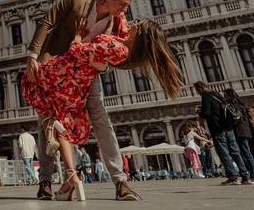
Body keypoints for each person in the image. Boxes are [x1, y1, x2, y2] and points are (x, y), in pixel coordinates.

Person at [23, 16, 182, 202]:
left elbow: (82, 51)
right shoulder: (122, 37)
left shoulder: (120, 40)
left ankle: (62, 178)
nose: (131, 21)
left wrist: (78, 38)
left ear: (139, 34)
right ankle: (68, 179)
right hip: (77, 82)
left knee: (53, 119)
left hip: (66, 76)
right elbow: (105, 45)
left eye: (136, 24)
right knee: (68, 124)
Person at [24, 0, 143, 201]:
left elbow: (117, 52)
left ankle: (120, 182)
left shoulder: (118, 21)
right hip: (56, 68)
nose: (124, 10)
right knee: (48, 122)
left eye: (127, 6)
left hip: (87, 74)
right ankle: (45, 182)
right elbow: (47, 21)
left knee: (101, 121)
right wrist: (32, 56)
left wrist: (103, 65)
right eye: (122, 4)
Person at [195, 82, 250, 185]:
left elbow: (206, 113)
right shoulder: (217, 94)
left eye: (197, 90)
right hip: (229, 127)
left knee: (223, 152)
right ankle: (245, 175)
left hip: (218, 128)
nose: (198, 93)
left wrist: (199, 111)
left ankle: (233, 176)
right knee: (235, 151)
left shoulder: (206, 96)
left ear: (200, 88)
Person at [223, 89, 254, 183]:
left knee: (245, 152)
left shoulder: (232, 105)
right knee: (246, 152)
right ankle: (253, 174)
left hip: (239, 131)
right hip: (245, 130)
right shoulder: (241, 104)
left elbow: (234, 119)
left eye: (225, 95)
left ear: (229, 96)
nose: (224, 97)